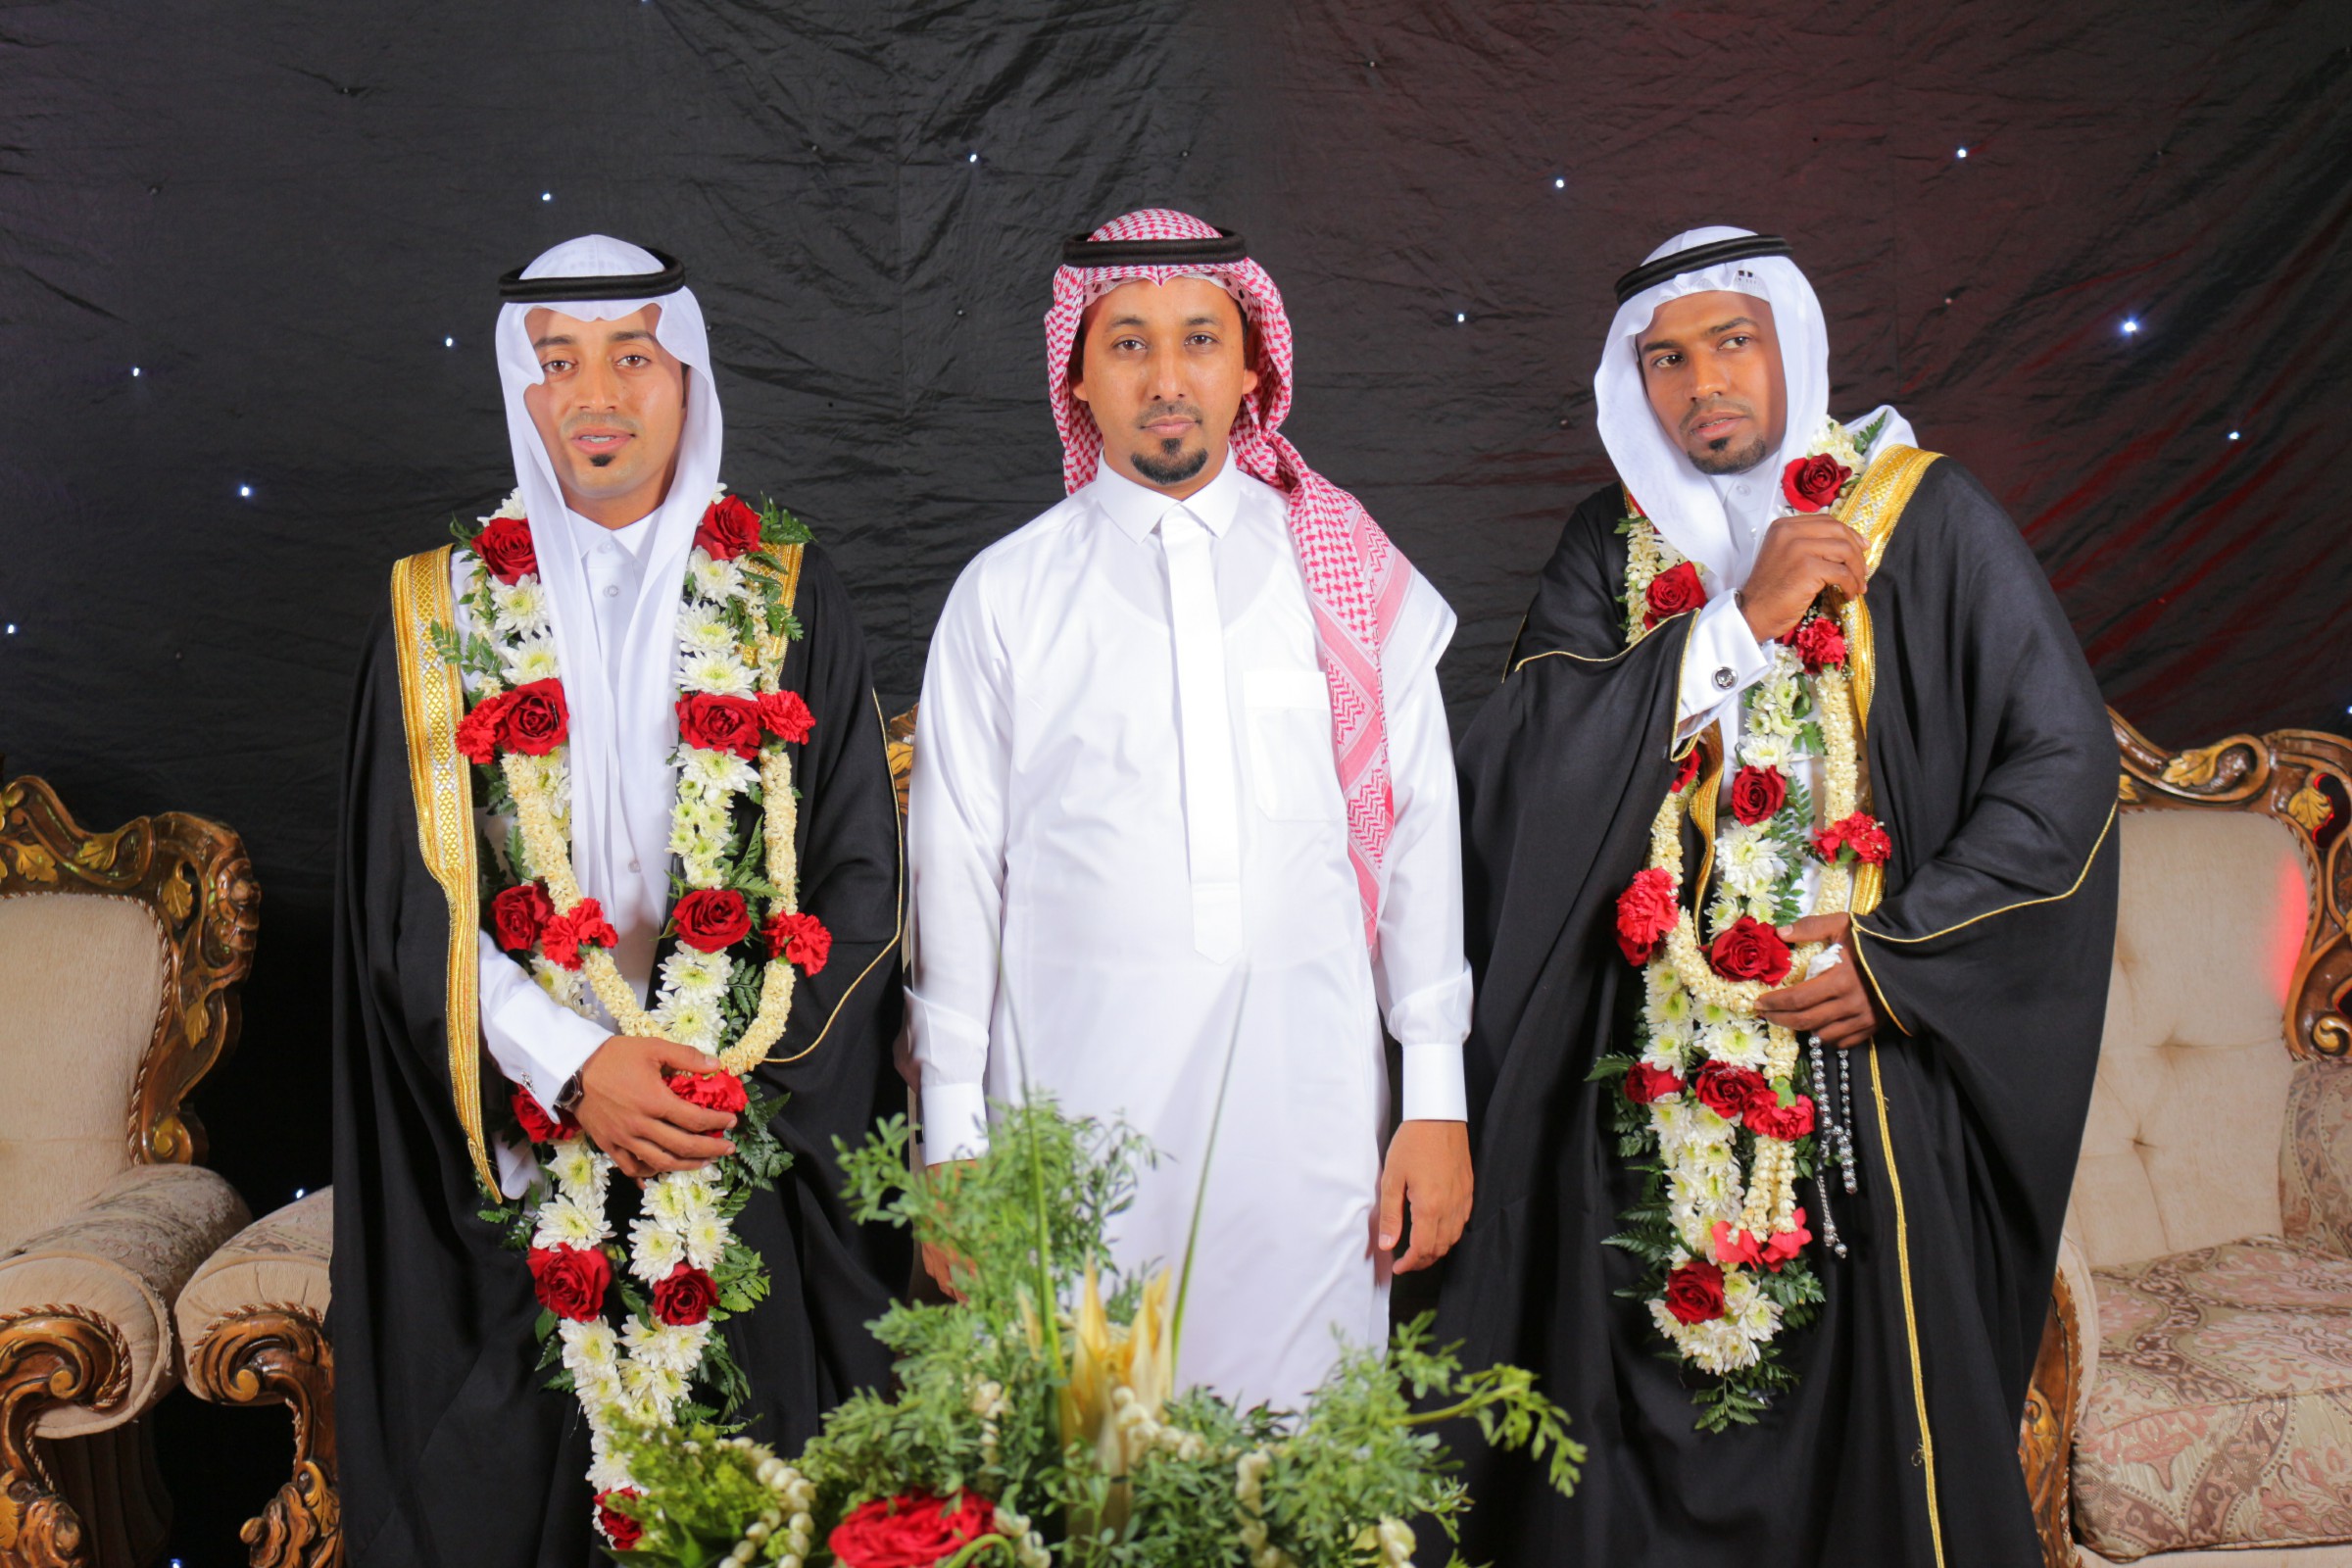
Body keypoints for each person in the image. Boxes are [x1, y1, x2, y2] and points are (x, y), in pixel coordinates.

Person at [1438, 226, 2118, 1564]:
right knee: (1617, 1423)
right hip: (1641, 1078)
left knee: (1881, 1446)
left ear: (1789, 344)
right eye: (1666, 360)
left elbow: (2061, 763)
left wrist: (1902, 956)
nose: (1704, 384)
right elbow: (1519, 766)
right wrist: (1735, 625)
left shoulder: (1926, 514)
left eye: (1732, 343)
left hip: (1861, 1067)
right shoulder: (1611, 546)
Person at [329, 234, 908, 1565]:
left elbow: (857, 879)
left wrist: (711, 1084)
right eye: (559, 362)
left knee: (772, 1480)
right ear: (522, 389)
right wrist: (577, 1065)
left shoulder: (787, 594)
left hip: (740, 1123)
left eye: (631, 357)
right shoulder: (436, 614)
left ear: (686, 374)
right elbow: (405, 907)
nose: (594, 396)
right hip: (513, 1121)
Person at [904, 209, 1474, 1410]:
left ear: (1253, 365)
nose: (1167, 379)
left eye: (1200, 339)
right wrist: (950, 1141)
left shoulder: (1345, 571)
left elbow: (1421, 836)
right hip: (1064, 1125)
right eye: (1129, 344)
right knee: (1084, 1464)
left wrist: (1435, 1097)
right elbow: (951, 877)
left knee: (1306, 1459)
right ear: (1077, 376)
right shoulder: (1006, 595)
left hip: (1309, 1122)